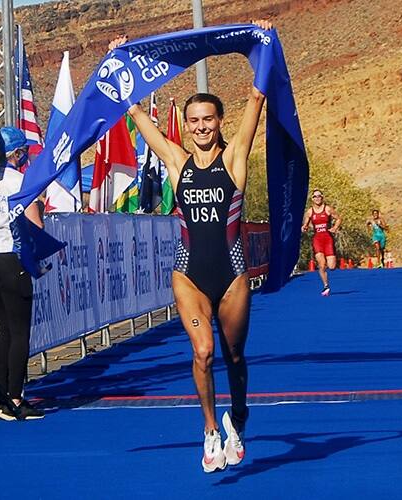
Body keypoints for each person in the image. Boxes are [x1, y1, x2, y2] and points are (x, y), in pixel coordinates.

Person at [120, 20, 273, 472]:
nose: (202, 127)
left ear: (219, 122)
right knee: (203, 352)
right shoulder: (176, 161)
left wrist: (262, 42)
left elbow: (257, 98)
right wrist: (121, 60)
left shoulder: (234, 157)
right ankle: (209, 431)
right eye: (194, 121)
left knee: (235, 356)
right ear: (185, 126)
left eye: (209, 119)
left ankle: (238, 417)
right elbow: (138, 117)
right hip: (188, 274)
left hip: (232, 275)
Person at [0, 127, 45, 420]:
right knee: (18, 330)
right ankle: (14, 399)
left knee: (4, 328)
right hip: (8, 256)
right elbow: (34, 225)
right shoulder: (19, 180)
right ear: (17, 153)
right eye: (23, 151)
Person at [301, 189, 341, 296]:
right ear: (312, 199)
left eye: (319, 196)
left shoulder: (327, 209)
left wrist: (334, 228)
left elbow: (338, 218)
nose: (317, 198)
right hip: (317, 240)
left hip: (327, 239)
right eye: (315, 196)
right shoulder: (310, 211)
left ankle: (327, 270)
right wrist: (304, 227)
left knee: (331, 266)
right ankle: (326, 285)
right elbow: (305, 224)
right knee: (322, 265)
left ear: (322, 197)